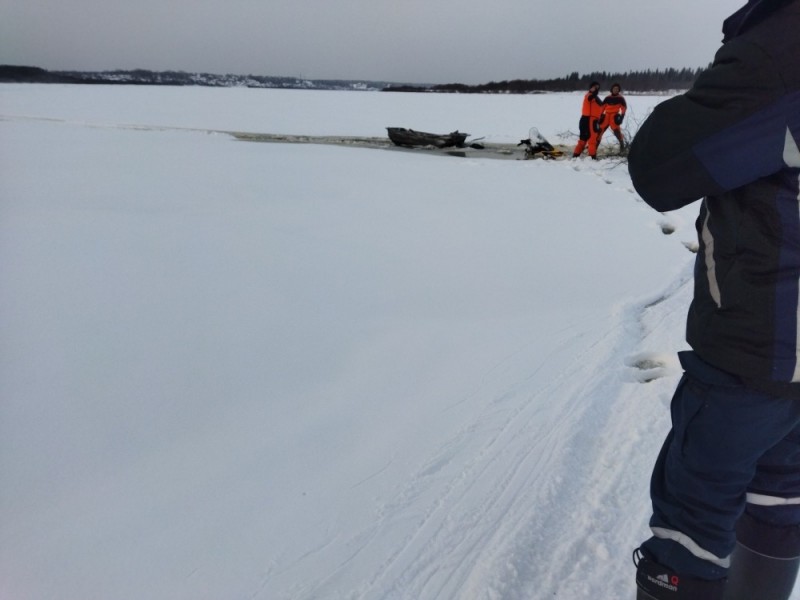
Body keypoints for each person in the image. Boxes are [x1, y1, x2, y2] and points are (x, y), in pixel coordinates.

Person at [627, 0, 800, 598]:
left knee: (690, 536)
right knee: (779, 511)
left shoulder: (784, 47)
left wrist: (704, 94)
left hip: (755, 359)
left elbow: (660, 169)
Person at [572, 81, 604, 158]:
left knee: (583, 140)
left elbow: (599, 107)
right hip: (590, 120)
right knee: (591, 140)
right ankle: (592, 157)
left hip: (589, 120)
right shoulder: (589, 95)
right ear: (590, 87)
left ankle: (575, 156)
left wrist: (602, 116)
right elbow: (590, 98)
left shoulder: (595, 97)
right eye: (594, 87)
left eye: (597, 87)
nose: (596, 88)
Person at [594, 82, 627, 155]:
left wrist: (621, 117)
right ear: (611, 89)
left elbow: (624, 108)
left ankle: (622, 147)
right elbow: (602, 108)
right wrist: (600, 117)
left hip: (614, 117)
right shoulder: (607, 98)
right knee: (599, 132)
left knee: (617, 132)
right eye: (614, 88)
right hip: (606, 116)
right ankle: (594, 149)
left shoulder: (620, 98)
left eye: (617, 89)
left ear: (619, 90)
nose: (616, 90)